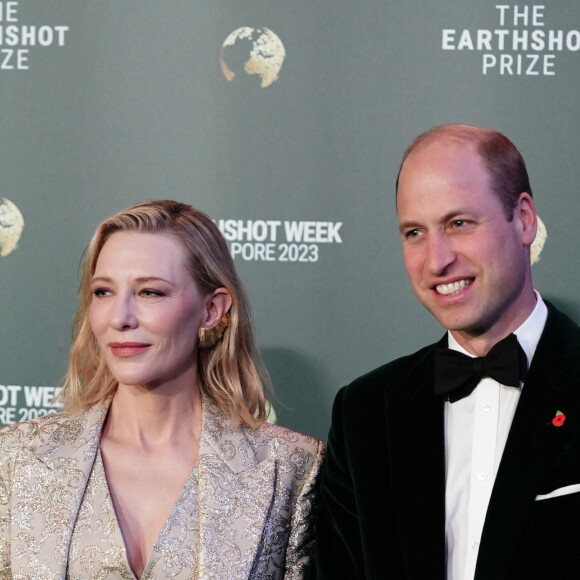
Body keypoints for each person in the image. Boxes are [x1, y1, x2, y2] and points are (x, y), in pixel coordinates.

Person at [0, 200, 324, 580]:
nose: (119, 318)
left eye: (150, 292)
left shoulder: (289, 467)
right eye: (103, 292)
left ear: (212, 310)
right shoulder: (17, 458)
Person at [313, 124, 580, 579]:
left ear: (524, 219)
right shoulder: (365, 414)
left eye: (459, 224)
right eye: (414, 232)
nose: (436, 260)